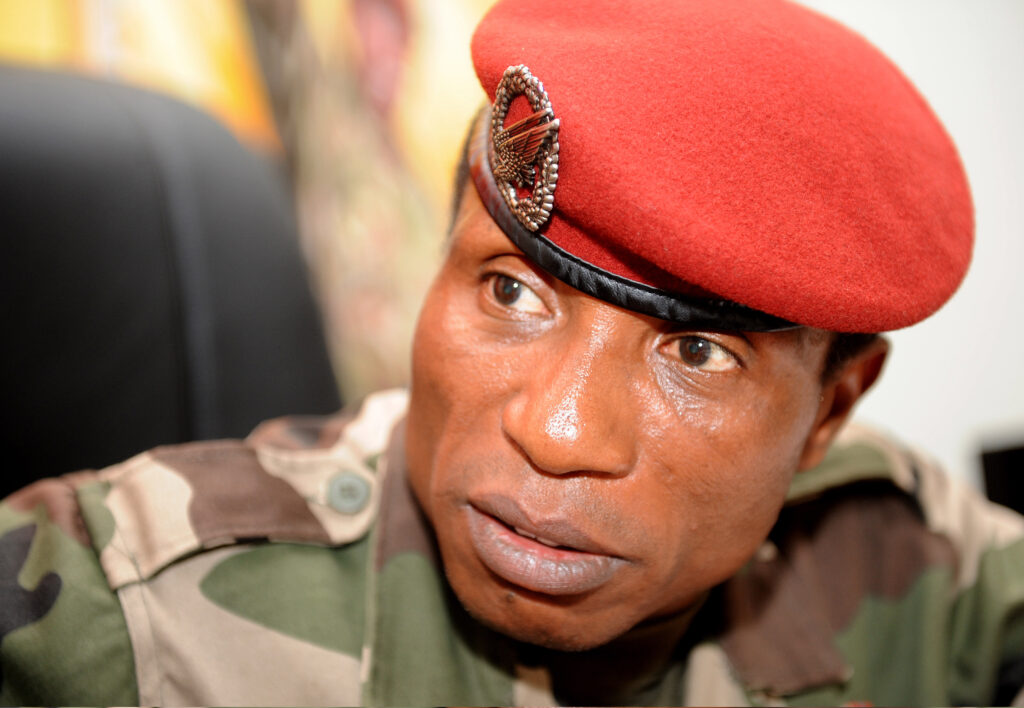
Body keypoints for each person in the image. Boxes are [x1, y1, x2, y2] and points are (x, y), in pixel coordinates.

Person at [2, 0, 1022, 705]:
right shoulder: (118, 608)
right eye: (510, 291)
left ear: (833, 410)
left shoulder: (915, 565)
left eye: (698, 353)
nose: (558, 431)